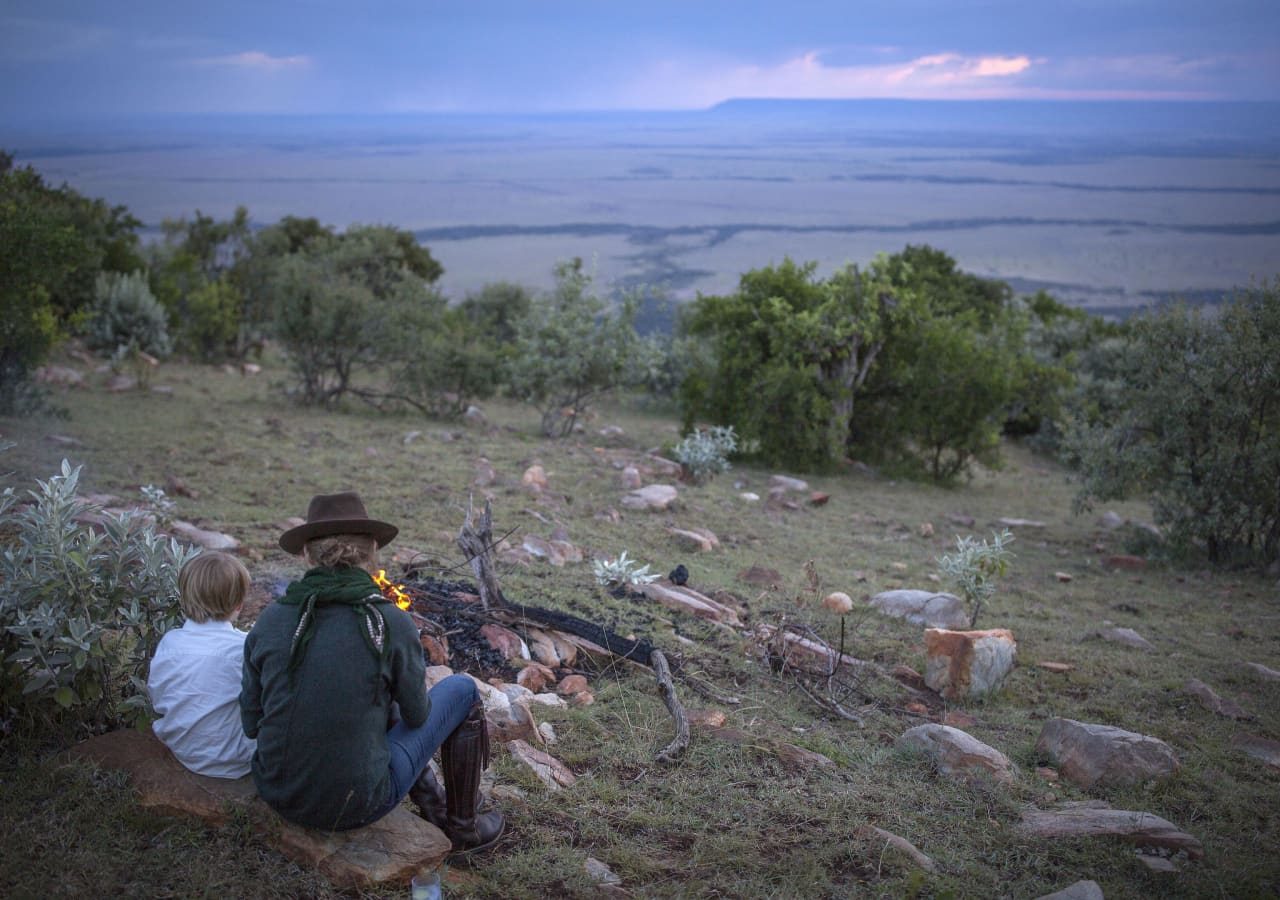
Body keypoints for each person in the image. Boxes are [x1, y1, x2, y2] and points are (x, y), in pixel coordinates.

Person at [240, 491, 504, 852]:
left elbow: (252, 723)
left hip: (279, 793)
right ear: (372, 551)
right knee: (462, 690)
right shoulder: (388, 622)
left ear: (306, 554)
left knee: (378, 695)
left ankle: (434, 804)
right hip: (357, 804)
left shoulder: (272, 618)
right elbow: (417, 714)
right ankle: (462, 829)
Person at [148, 551, 257, 778]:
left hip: (184, 750)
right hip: (236, 757)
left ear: (184, 597)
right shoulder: (243, 647)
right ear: (239, 604)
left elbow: (157, 695)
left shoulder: (170, 642)